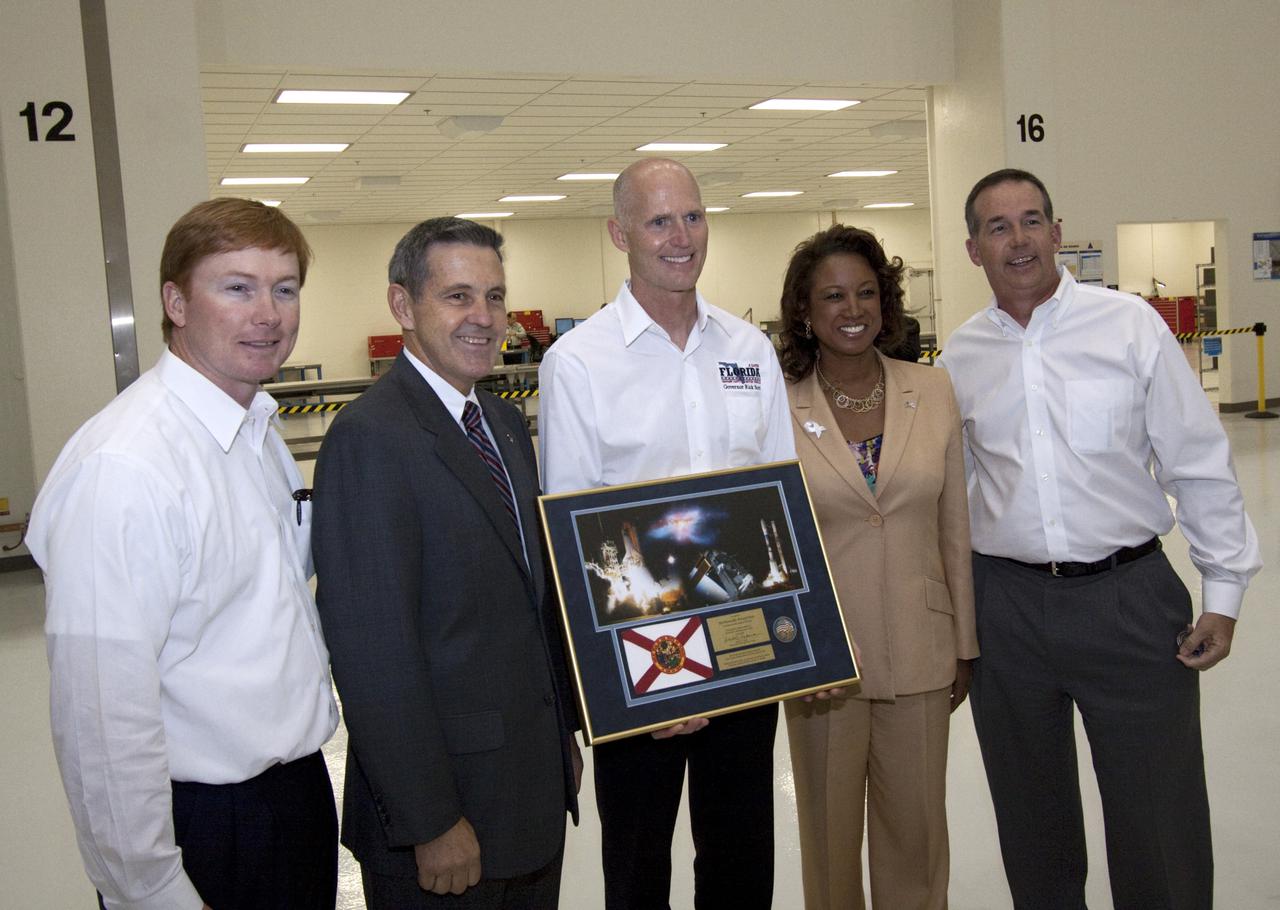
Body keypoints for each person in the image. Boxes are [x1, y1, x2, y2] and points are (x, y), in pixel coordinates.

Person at [940, 168, 1262, 910]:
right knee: (1032, 819)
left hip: (1130, 598)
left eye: (1031, 221)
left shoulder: (1129, 325)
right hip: (1008, 610)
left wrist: (1224, 591)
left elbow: (1196, 458)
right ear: (972, 249)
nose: (1017, 239)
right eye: (997, 226)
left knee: (1160, 815)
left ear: (1057, 234)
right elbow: (949, 496)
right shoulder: (959, 358)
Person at [27, 198, 339, 910]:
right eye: (236, 287)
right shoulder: (126, 468)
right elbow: (103, 722)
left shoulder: (256, 433)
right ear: (175, 302)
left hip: (293, 796)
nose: (269, 313)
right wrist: (150, 889)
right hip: (202, 824)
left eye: (284, 288)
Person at [539, 158, 795, 909]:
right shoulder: (578, 363)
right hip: (639, 663)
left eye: (693, 216)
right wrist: (655, 683)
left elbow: (781, 503)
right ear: (620, 233)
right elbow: (581, 542)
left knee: (742, 855)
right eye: (658, 221)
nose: (680, 237)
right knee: (639, 862)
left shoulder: (749, 352)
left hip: (746, 648)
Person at [311, 217, 581, 909]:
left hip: (528, 792)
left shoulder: (503, 423)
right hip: (446, 816)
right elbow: (372, 653)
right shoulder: (370, 437)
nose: (483, 318)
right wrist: (429, 819)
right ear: (403, 305)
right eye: (458, 296)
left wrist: (564, 738)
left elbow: (532, 600)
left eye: (495, 297)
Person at [777, 224, 978, 910]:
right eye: (832, 296)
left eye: (866, 292)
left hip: (922, 651)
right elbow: (769, 542)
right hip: (823, 662)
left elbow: (955, 524)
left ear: (886, 304)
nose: (852, 309)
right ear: (804, 311)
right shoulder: (776, 406)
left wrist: (965, 641)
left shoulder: (935, 389)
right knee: (830, 847)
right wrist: (793, 649)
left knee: (918, 841)